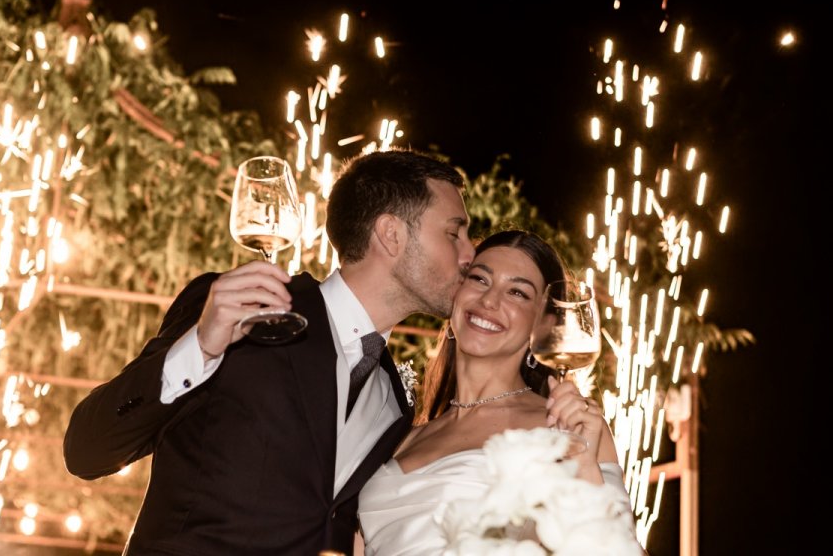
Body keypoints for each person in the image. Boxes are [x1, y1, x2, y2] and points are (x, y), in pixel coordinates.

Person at [62, 149, 475, 555]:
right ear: (391, 235)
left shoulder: (395, 400)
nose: (469, 253)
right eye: (454, 232)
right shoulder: (239, 313)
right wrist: (201, 347)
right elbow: (86, 450)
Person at [357, 230, 635, 554]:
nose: (490, 300)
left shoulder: (565, 428)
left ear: (541, 324)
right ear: (455, 297)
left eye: (517, 292)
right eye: (479, 279)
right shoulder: (401, 436)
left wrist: (586, 470)